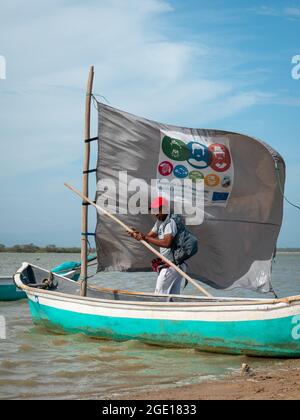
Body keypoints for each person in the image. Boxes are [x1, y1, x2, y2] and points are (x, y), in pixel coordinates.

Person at [128, 196, 186, 295]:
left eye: (157, 210)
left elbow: (166, 243)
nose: (155, 213)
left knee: (159, 297)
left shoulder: (170, 222)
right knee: (173, 298)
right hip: (176, 266)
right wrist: (136, 235)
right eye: (153, 210)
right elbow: (147, 237)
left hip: (172, 266)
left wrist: (144, 238)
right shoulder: (159, 222)